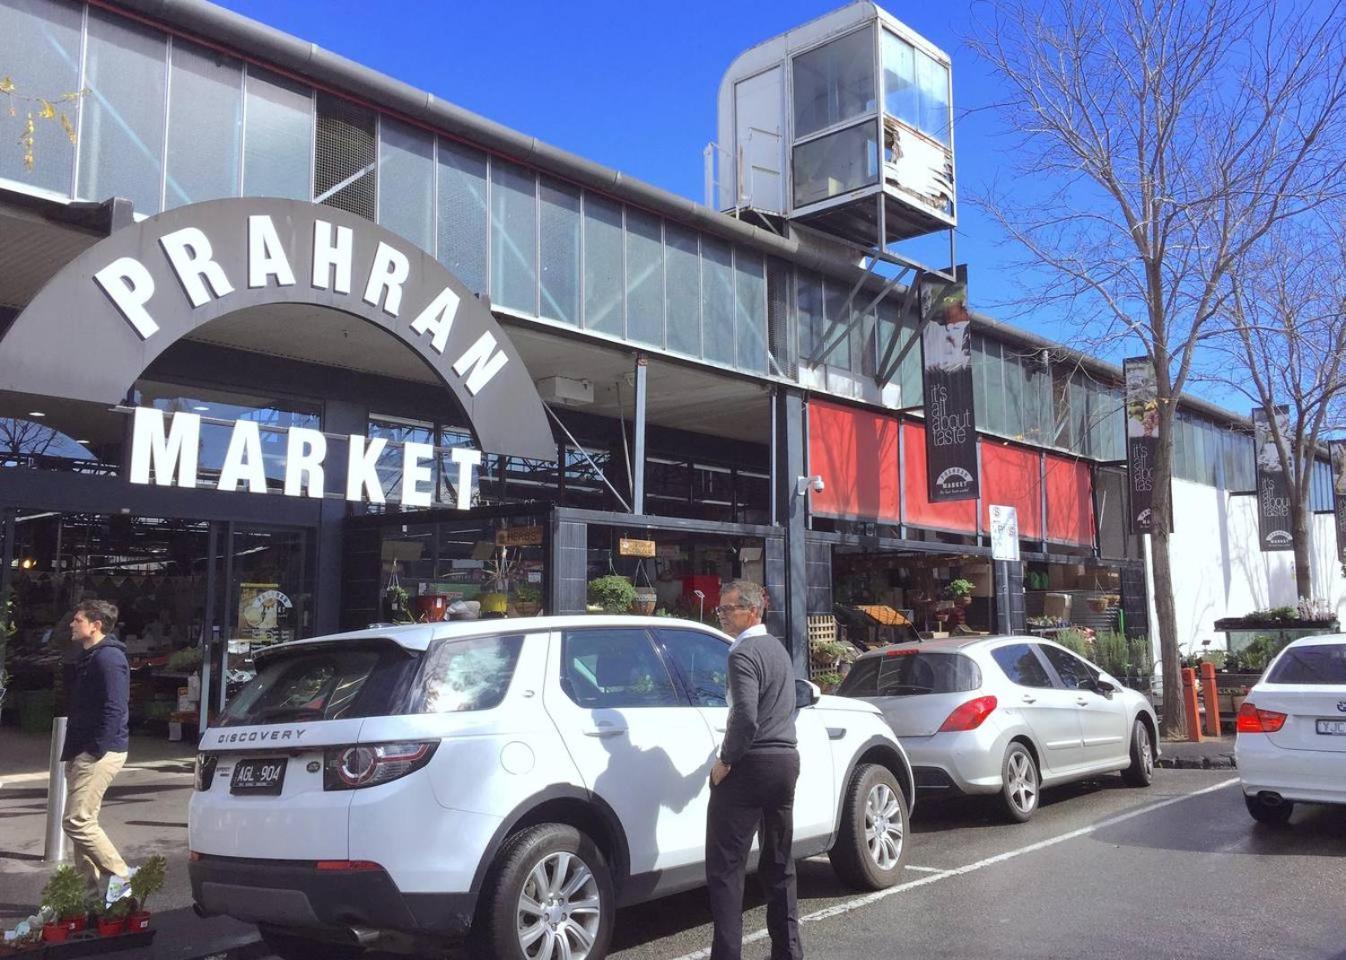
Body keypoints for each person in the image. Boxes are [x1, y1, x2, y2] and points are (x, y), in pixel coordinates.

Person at [705, 579, 802, 960]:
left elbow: (745, 716)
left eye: (729, 609)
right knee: (779, 862)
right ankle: (788, 952)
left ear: (753, 611)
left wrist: (726, 760)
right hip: (785, 762)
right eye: (721, 610)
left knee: (726, 871)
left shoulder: (741, 654)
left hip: (750, 765)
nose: (723, 616)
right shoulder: (778, 650)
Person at [61, 599, 134, 898]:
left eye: (77, 620)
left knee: (76, 821)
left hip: (99, 751)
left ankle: (122, 878)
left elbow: (115, 707)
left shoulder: (108, 659)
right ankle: (88, 897)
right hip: (83, 749)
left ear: (96, 624)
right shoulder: (91, 656)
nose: (71, 624)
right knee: (85, 824)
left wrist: (96, 749)